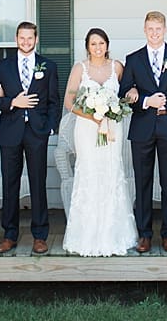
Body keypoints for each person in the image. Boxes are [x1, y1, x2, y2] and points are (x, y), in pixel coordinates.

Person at [118, 10, 167, 254]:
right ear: (144, 30)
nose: (154, 33)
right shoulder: (134, 59)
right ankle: (145, 234)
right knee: (143, 183)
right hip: (142, 128)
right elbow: (124, 93)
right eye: (150, 29)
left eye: (158, 29)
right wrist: (144, 101)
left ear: (165, 30)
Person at [0, 21, 60, 254]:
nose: (26, 42)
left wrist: (48, 129)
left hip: (37, 132)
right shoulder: (3, 66)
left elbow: (54, 102)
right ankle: (9, 235)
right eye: (22, 38)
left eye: (30, 38)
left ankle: (40, 235)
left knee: (38, 183)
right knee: (10, 184)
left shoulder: (48, 65)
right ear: (16, 39)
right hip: (10, 130)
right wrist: (12, 103)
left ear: (36, 39)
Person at [62, 28, 138, 256]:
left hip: (113, 128)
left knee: (112, 172)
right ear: (87, 46)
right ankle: (85, 235)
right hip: (87, 128)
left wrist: (131, 91)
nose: (98, 47)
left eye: (101, 43)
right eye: (93, 44)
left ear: (107, 45)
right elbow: (69, 100)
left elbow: (126, 91)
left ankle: (114, 234)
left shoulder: (117, 67)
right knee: (89, 173)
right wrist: (93, 116)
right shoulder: (80, 68)